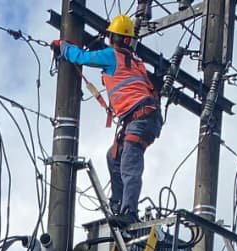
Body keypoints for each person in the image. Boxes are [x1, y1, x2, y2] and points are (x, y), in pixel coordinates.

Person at [52, 14, 163, 225]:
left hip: (140, 117)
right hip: (144, 117)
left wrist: (64, 47)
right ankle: (119, 204)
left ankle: (128, 212)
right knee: (114, 158)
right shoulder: (136, 63)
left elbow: (82, 58)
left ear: (114, 38)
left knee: (129, 162)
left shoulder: (112, 56)